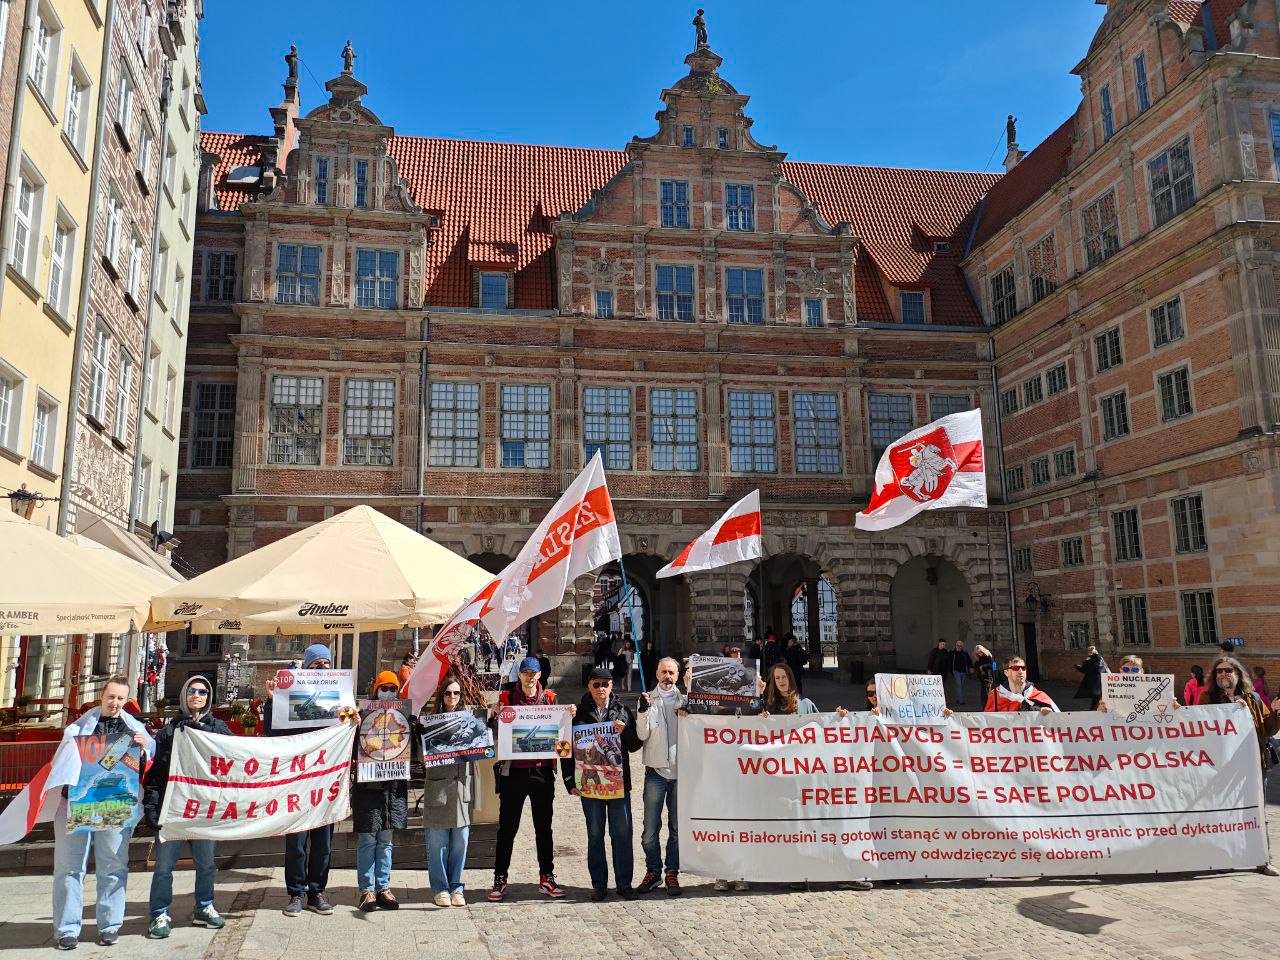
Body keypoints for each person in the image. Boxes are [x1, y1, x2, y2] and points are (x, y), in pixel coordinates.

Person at [52, 676, 155, 950]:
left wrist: (142, 749)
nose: (115, 703)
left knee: (113, 866)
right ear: (102, 696)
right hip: (77, 804)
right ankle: (67, 929)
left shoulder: (134, 730)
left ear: (126, 700)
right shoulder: (78, 729)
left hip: (114, 806)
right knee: (69, 868)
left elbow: (144, 762)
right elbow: (61, 764)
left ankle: (110, 926)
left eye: (120, 698)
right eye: (111, 697)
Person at [143, 675, 231, 938]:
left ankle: (204, 907)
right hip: (173, 809)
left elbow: (238, 753)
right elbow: (156, 773)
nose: (197, 696)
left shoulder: (217, 728)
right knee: (163, 866)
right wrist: (152, 806)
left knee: (206, 864)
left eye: (202, 692)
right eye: (192, 690)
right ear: (184, 695)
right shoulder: (169, 731)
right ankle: (159, 913)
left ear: (208, 697)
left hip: (204, 809)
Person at [263, 643, 339, 917]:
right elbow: (272, 733)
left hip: (325, 780)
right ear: (306, 668)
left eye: (326, 664)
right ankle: (296, 892)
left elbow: (346, 732)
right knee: (296, 841)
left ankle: (317, 891)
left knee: (323, 842)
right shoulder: (290, 697)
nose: (322, 668)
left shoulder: (337, 696)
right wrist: (273, 701)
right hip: (298, 780)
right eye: (316, 664)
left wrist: (353, 719)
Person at [489, 658, 572, 901]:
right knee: (507, 828)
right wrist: (493, 714)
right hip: (513, 773)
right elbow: (493, 732)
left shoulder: (550, 699)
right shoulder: (506, 699)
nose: (529, 677)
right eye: (525, 673)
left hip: (541, 773)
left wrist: (570, 716)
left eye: (533, 673)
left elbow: (563, 732)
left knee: (543, 828)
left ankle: (547, 877)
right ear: (520, 675)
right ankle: (500, 877)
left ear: (539, 675)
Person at [563, 668, 642, 900]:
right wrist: (569, 780)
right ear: (589, 686)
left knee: (622, 835)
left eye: (605, 684)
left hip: (618, 785)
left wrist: (624, 731)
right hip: (590, 785)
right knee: (595, 834)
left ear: (611, 686)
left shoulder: (623, 710)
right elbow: (565, 748)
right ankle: (599, 884)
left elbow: (635, 745)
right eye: (596, 684)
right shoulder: (577, 713)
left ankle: (624, 884)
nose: (601, 689)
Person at [352, 672, 408, 912]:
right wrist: (354, 725)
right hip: (368, 787)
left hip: (392, 788)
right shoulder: (363, 715)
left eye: (393, 689)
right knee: (367, 839)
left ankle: (383, 887)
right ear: (376, 690)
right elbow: (353, 747)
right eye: (384, 688)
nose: (388, 692)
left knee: (385, 841)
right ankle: (367, 890)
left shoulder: (403, 716)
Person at [423, 674, 479, 907]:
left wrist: (493, 718)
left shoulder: (471, 720)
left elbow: (485, 744)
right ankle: (440, 888)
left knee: (460, 843)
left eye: (456, 693)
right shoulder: (430, 721)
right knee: (437, 843)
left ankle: (456, 886)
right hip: (439, 788)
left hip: (461, 789)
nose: (452, 697)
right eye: (448, 693)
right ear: (441, 696)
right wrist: (419, 733)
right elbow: (421, 756)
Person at [635, 657, 686, 896]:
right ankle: (653, 871)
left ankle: (672, 872)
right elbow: (641, 735)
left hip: (680, 772)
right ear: (656, 674)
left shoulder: (684, 701)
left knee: (677, 829)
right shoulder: (647, 699)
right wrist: (643, 712)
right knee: (650, 830)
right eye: (664, 672)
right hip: (655, 771)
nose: (667, 676)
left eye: (671, 673)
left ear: (677, 676)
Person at [985, 657, 1057, 713]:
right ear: (1006, 672)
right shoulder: (995, 696)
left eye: (1023, 668)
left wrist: (1046, 714)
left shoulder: (1040, 696)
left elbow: (1060, 721)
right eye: (1015, 668)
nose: (1020, 671)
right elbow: (986, 722)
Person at [1074, 645, 1106, 710]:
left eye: (1088, 652)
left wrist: (1078, 667)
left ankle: (1093, 709)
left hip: (1094, 680)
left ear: (1090, 652)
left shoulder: (1091, 659)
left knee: (1096, 696)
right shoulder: (1100, 658)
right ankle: (1094, 708)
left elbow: (1085, 670)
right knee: (1098, 695)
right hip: (1100, 679)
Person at [950, 640, 973, 705]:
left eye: (960, 646)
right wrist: (951, 671)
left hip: (963, 672)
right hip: (956, 671)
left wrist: (971, 667)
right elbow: (949, 662)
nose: (959, 647)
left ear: (962, 646)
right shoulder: (953, 653)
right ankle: (961, 700)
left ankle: (958, 698)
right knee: (959, 685)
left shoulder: (965, 653)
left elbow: (969, 661)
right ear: (955, 645)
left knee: (962, 686)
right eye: (958, 645)